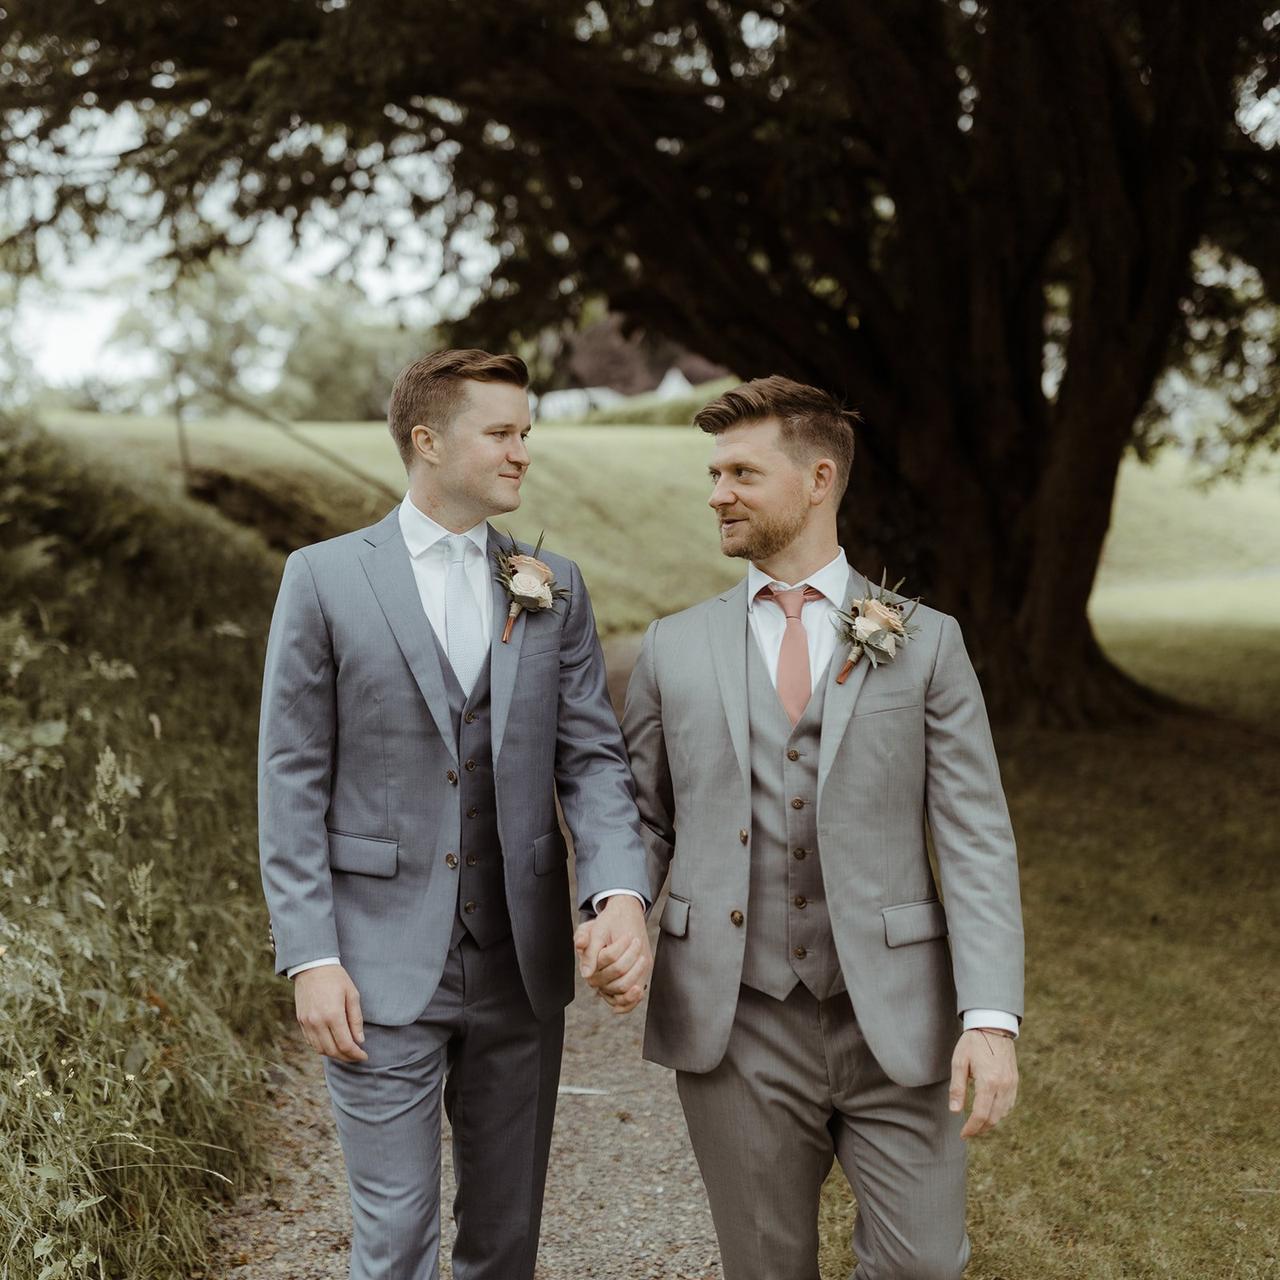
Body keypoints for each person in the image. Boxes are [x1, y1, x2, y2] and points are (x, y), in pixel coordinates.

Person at [603, 375, 1024, 1279]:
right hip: (736, 1017)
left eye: (742, 474)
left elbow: (975, 836)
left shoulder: (928, 642)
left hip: (900, 1018)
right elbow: (642, 815)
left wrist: (990, 1019)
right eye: (714, 474)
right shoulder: (673, 648)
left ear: (819, 478)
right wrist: (620, 903)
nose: (717, 494)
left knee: (923, 1267)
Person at [257, 348, 651, 1280]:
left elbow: (592, 760)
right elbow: (290, 777)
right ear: (427, 441)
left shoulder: (553, 584)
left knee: (505, 1236)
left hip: (520, 964)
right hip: (375, 961)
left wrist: (619, 895)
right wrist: (311, 956)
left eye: (526, 433)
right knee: (396, 1237)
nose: (523, 452)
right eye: (501, 433)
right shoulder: (323, 578)